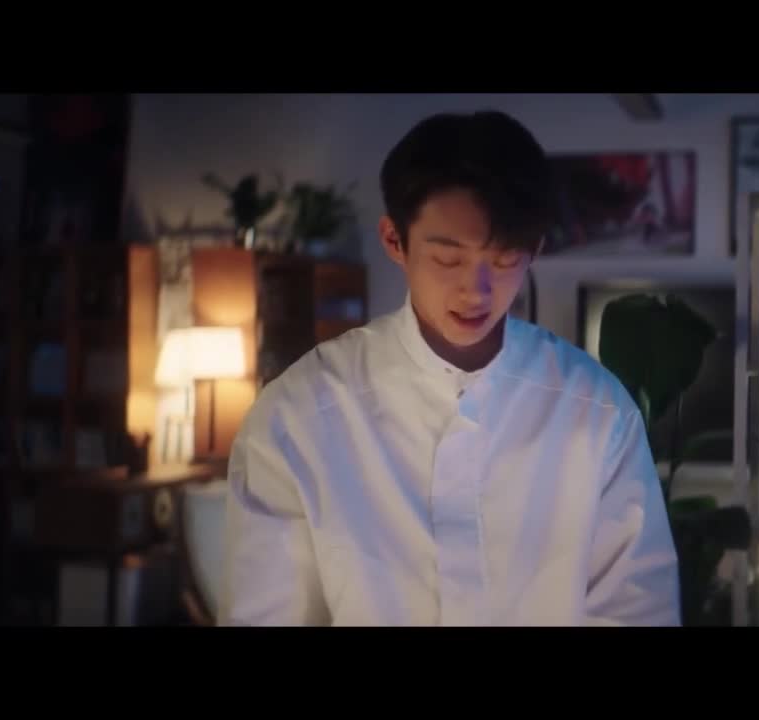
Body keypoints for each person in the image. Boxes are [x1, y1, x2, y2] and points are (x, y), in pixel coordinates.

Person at [219, 111, 680, 626]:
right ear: (394, 241)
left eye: (503, 260)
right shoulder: (297, 418)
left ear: (535, 249)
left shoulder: (598, 413)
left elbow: (638, 613)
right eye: (448, 259)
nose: (475, 290)